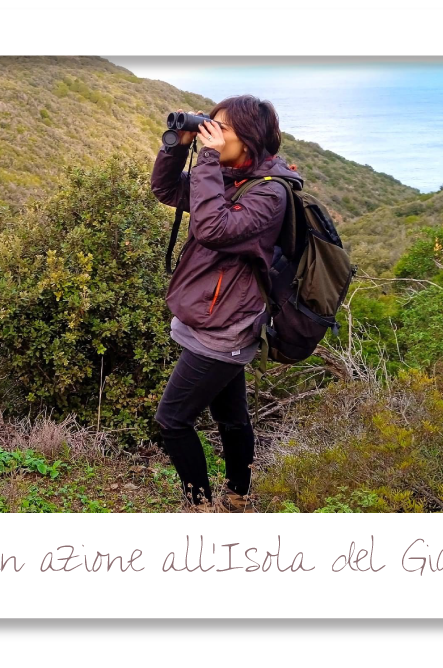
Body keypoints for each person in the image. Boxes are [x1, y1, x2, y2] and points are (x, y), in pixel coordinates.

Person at [150, 95, 304, 511]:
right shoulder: (231, 177)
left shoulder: (270, 195)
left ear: (251, 138)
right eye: (210, 124)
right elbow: (165, 188)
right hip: (211, 317)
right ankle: (238, 495)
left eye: (223, 128)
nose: (211, 133)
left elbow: (214, 227)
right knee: (232, 417)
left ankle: (199, 505)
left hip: (226, 328)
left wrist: (206, 161)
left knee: (172, 421)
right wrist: (178, 147)